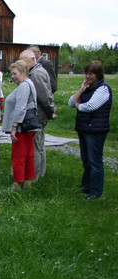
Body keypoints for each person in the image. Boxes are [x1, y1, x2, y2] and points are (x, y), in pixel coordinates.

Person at [68, 60, 112, 199]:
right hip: (84, 129)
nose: (88, 76)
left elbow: (91, 106)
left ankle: (95, 191)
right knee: (86, 161)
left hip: (96, 131)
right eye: (87, 73)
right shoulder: (88, 87)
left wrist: (79, 106)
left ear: (98, 74)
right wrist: (81, 89)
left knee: (95, 162)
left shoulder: (103, 88)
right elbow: (71, 102)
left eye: (91, 74)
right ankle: (86, 188)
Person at [19, 50, 56, 182]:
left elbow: (44, 96)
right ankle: (40, 175)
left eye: (23, 62)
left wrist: (50, 111)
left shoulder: (36, 73)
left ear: (31, 60)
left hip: (38, 115)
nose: (21, 64)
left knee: (36, 147)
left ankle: (35, 177)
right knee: (39, 145)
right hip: (40, 114)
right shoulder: (36, 71)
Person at [2, 60, 37, 192]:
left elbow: (20, 108)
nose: (13, 76)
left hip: (22, 128)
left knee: (18, 156)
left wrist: (14, 128)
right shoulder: (29, 84)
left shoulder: (23, 86)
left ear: (23, 72)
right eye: (11, 74)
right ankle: (28, 183)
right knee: (28, 156)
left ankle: (17, 184)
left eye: (15, 73)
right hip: (29, 127)